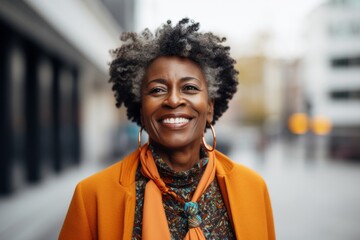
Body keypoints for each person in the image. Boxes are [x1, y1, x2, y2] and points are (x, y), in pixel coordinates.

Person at [59, 18, 275, 240]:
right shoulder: (92, 197)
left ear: (209, 107)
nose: (173, 100)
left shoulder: (253, 188)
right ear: (141, 110)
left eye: (189, 87)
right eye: (157, 90)